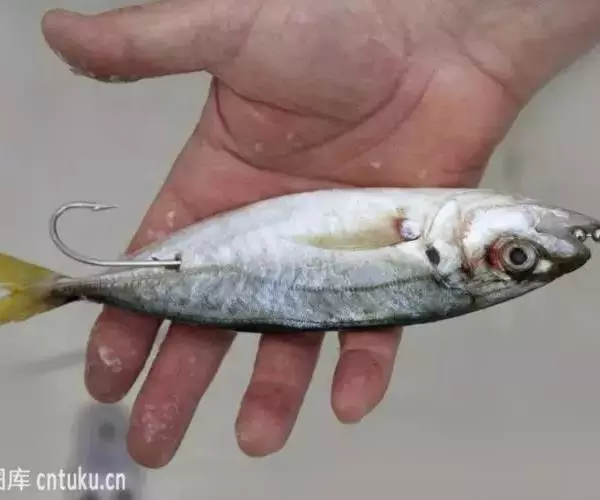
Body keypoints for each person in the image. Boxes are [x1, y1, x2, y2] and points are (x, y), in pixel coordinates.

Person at [41, 0, 600, 468]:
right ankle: (60, 290)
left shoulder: (427, 234)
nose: (536, 235)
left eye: (515, 256)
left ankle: (56, 289)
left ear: (441, 256)